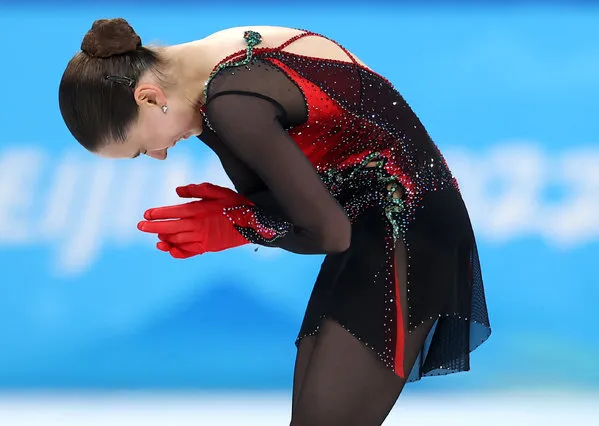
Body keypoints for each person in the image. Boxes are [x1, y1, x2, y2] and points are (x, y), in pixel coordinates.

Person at [59, 18, 492, 425]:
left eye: (139, 148)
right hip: (376, 228)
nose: (159, 155)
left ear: (149, 97)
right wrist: (244, 215)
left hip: (406, 230)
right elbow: (297, 208)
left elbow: (328, 231)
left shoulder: (232, 102)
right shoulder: (212, 74)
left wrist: (237, 224)